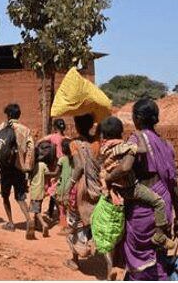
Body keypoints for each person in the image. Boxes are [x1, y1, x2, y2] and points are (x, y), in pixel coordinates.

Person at [106, 99, 178, 280]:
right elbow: (174, 185)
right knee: (159, 258)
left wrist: (109, 177)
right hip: (164, 210)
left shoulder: (136, 139)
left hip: (143, 211)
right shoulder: (167, 145)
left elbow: (125, 168)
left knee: (140, 266)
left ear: (138, 118)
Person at [98, 116, 174, 249]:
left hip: (116, 188)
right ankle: (159, 236)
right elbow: (141, 152)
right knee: (159, 202)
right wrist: (138, 135)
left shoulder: (104, 148)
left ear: (103, 135)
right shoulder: (123, 147)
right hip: (131, 187)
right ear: (121, 132)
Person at [62, 113, 102, 271]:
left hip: (80, 187)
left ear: (77, 126)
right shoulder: (97, 143)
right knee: (93, 217)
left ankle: (75, 258)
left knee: (75, 220)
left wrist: (68, 186)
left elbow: (78, 166)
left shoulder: (74, 143)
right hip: (96, 186)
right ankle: (94, 247)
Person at [0, 104, 34, 233]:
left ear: (9, 115)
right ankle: (29, 220)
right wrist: (27, 167)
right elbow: (31, 149)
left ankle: (11, 223)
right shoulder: (26, 130)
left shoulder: (3, 127)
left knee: (5, 196)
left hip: (6, 167)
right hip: (19, 168)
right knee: (20, 197)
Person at [38, 119, 67, 226]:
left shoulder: (52, 137)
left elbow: (39, 141)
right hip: (65, 168)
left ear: (55, 127)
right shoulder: (66, 139)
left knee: (52, 191)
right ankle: (52, 212)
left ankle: (61, 218)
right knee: (56, 190)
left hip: (54, 168)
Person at [28, 141, 58, 239]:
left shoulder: (32, 166)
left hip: (34, 191)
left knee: (36, 212)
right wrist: (56, 173)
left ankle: (43, 224)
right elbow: (48, 174)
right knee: (38, 208)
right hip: (42, 190)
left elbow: (29, 177)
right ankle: (37, 226)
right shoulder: (43, 165)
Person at [54, 138, 73, 236]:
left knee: (61, 208)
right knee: (70, 207)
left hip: (63, 185)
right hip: (72, 185)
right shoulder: (74, 159)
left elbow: (56, 172)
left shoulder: (61, 159)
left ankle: (63, 226)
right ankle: (71, 226)